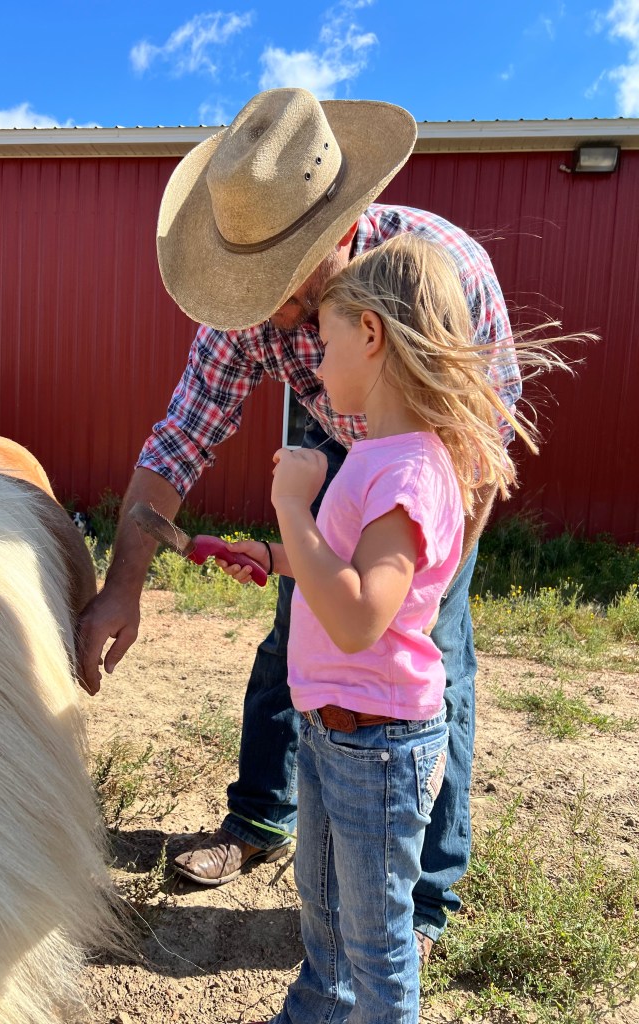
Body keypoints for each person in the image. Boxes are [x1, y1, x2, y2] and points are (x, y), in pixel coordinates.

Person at [76, 87, 521, 962]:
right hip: (342, 440)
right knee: (296, 632)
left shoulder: (442, 275)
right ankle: (261, 820)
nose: (267, 313)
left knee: (434, 656)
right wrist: (123, 587)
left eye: (284, 286)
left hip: (437, 456)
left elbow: (481, 446)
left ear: (340, 233)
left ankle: (422, 898)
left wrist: (421, 589)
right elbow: (179, 441)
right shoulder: (249, 311)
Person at [217, 232, 545, 1024]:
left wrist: (291, 508)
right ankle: (316, 1010)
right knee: (327, 915)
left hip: (380, 746)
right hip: (337, 733)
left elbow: (361, 615)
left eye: (326, 343)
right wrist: (277, 554)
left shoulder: (409, 471)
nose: (315, 365)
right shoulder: (376, 456)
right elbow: (346, 566)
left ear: (371, 335)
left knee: (376, 941)